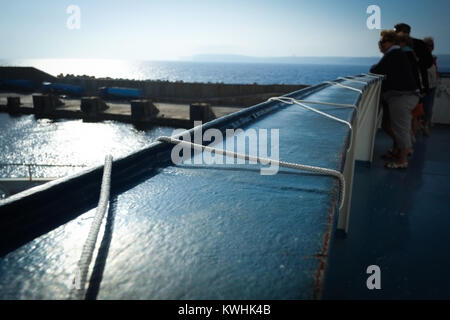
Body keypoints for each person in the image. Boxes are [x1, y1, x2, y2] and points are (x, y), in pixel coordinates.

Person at [370, 30, 420, 169]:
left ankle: (402, 161)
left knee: (401, 129)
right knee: (399, 128)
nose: (380, 45)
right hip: (403, 96)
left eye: (382, 42)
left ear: (392, 42)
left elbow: (376, 70)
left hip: (401, 97)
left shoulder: (393, 54)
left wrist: (375, 67)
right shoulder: (397, 54)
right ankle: (400, 153)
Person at [394, 23, 434, 94]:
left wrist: (417, 63)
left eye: (395, 31)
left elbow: (428, 63)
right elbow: (429, 63)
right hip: (413, 87)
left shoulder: (418, 44)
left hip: (411, 87)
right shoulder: (420, 43)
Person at [422, 37, 439, 136]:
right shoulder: (420, 58)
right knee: (421, 108)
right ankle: (422, 125)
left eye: (431, 45)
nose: (430, 47)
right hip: (423, 86)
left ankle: (425, 125)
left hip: (432, 86)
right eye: (428, 45)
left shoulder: (433, 59)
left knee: (428, 108)